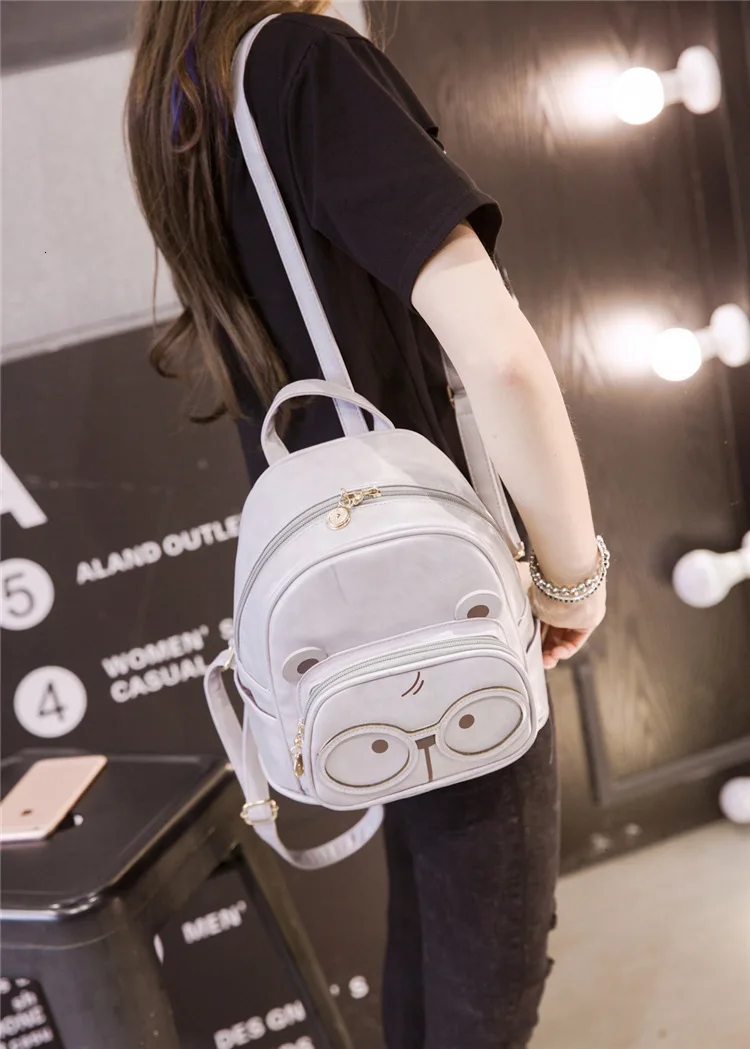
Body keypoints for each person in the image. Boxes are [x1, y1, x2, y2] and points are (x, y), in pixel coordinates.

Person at [126, 3, 607, 1047]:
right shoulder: (306, 64)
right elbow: (503, 358)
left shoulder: (187, 90)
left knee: (433, 922)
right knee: (489, 961)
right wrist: (574, 575)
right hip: (434, 583)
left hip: (345, 592)